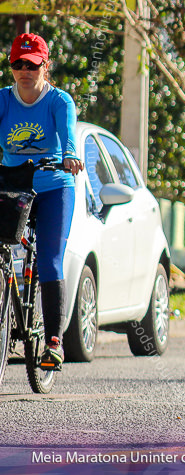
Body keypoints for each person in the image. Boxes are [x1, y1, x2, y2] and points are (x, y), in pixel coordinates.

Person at [0, 33, 84, 370]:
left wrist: (70, 157)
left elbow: (68, 137)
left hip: (53, 187)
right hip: (12, 186)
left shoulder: (59, 102)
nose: (24, 71)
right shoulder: (3, 100)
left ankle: (53, 343)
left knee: (49, 260)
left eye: (32, 65)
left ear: (45, 67)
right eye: (18, 64)